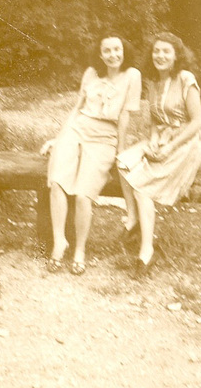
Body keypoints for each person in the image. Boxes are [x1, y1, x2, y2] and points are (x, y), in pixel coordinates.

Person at [40, 34, 141, 275]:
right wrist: (59, 137)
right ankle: (59, 243)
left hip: (105, 136)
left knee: (85, 194)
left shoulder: (132, 76)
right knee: (57, 183)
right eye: (107, 50)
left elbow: (125, 116)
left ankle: (80, 251)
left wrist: (120, 148)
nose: (113, 55)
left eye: (117, 49)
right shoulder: (91, 73)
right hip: (77, 129)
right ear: (100, 54)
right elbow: (77, 108)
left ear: (124, 50)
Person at [117, 32, 201, 279]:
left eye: (166, 51)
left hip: (186, 141)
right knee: (123, 162)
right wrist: (154, 140)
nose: (160, 56)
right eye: (157, 51)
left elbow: (197, 122)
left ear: (176, 55)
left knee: (143, 187)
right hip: (162, 138)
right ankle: (133, 219)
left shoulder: (186, 79)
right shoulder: (152, 82)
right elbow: (155, 121)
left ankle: (147, 251)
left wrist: (170, 146)